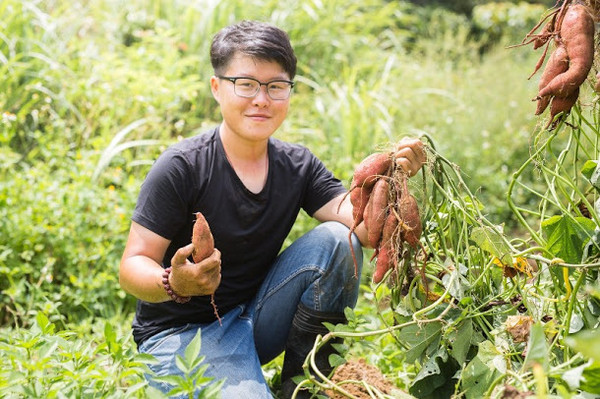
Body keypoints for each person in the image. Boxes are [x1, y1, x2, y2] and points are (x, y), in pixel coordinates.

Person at [119, 20, 426, 399]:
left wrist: (391, 176)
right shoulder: (183, 167)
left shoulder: (298, 165)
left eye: (276, 86)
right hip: (180, 338)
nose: (261, 99)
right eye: (245, 84)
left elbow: (360, 231)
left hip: (253, 319)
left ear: (289, 92)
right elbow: (132, 265)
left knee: (335, 240)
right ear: (217, 88)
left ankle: (302, 387)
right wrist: (173, 282)